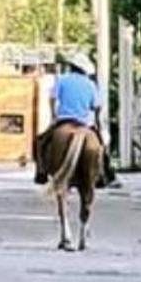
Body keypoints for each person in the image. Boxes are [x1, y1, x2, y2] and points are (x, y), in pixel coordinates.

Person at [34, 53, 112, 185]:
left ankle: (41, 172)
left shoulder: (62, 80)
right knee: (101, 145)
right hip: (85, 123)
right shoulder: (90, 84)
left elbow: (52, 98)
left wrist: (54, 116)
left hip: (63, 120)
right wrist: (97, 121)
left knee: (40, 142)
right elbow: (97, 106)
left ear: (71, 67)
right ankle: (102, 173)